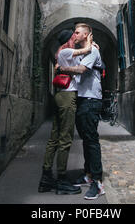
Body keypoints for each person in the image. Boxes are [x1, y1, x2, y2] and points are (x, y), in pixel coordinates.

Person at [38, 28, 93, 195]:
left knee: (54, 137)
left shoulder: (64, 54)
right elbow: (87, 50)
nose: (75, 37)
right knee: (65, 138)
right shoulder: (66, 51)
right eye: (73, 35)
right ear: (68, 39)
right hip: (67, 97)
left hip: (61, 96)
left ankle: (46, 178)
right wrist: (89, 39)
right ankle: (61, 180)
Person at [55, 23, 105, 200]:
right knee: (85, 139)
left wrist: (62, 69)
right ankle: (88, 174)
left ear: (86, 34)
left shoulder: (93, 52)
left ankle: (98, 183)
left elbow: (81, 70)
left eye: (77, 33)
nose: (74, 35)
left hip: (91, 100)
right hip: (83, 99)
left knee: (91, 140)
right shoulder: (84, 50)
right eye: (74, 32)